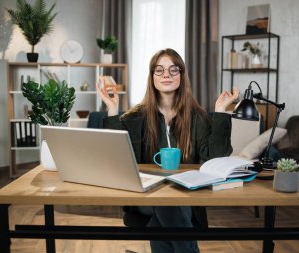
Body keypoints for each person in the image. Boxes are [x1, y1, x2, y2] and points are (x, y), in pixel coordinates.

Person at [97, 48, 239, 253]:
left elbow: (216, 159)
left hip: (187, 198)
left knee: (162, 218)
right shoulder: (135, 117)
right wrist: (111, 110)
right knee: (167, 201)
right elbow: (115, 158)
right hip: (145, 198)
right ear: (152, 76)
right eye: (159, 70)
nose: (166, 75)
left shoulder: (197, 117)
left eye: (174, 70)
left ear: (182, 75)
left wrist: (221, 112)